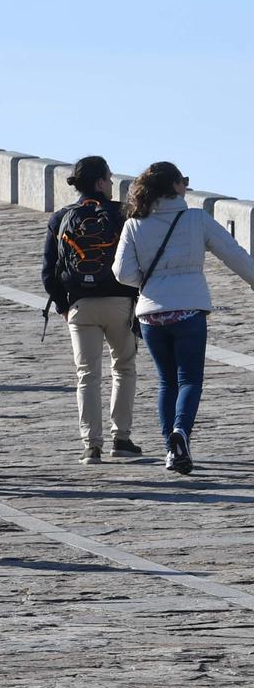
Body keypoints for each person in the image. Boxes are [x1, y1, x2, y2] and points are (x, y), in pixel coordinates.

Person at [114, 161, 254, 475]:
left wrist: (150, 286)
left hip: (151, 316)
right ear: (176, 187)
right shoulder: (195, 219)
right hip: (188, 311)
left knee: (167, 382)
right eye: (184, 182)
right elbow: (234, 254)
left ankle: (170, 450)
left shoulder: (134, 224)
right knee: (189, 379)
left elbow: (122, 273)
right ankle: (181, 433)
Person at [41, 155, 142, 463]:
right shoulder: (123, 214)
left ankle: (91, 445)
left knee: (87, 375)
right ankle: (121, 439)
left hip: (80, 307)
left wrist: (63, 305)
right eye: (110, 179)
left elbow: (48, 272)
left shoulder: (61, 218)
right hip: (119, 303)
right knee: (123, 368)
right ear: (100, 182)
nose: (112, 184)